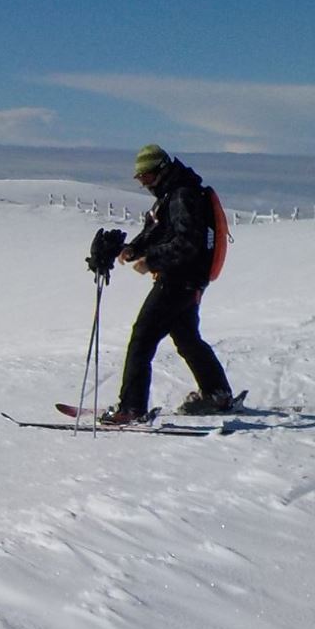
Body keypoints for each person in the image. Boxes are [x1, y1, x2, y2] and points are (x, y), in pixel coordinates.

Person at [102, 143, 236, 424]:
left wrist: (151, 261)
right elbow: (159, 231)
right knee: (187, 339)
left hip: (178, 279)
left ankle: (131, 408)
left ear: (160, 171)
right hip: (188, 280)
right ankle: (217, 394)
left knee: (142, 339)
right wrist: (133, 250)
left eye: (146, 178)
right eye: (140, 180)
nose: (144, 184)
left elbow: (187, 243)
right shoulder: (174, 194)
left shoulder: (182, 196)